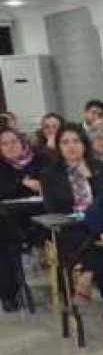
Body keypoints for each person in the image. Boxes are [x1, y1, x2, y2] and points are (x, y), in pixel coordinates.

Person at [40, 123, 103, 302]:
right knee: (92, 237)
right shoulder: (50, 174)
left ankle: (87, 276)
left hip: (100, 223)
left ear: (84, 144)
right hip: (69, 227)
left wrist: (90, 177)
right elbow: (51, 207)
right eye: (65, 142)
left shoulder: (100, 168)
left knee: (99, 234)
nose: (71, 146)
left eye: (76, 141)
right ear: (58, 147)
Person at [0, 127, 50, 310]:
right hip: (10, 220)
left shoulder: (40, 159)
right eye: (4, 144)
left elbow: (51, 181)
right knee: (4, 240)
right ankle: (9, 294)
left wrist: (40, 185)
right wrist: (21, 183)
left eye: (13, 142)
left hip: (41, 215)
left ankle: (63, 283)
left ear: (22, 142)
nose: (10, 147)